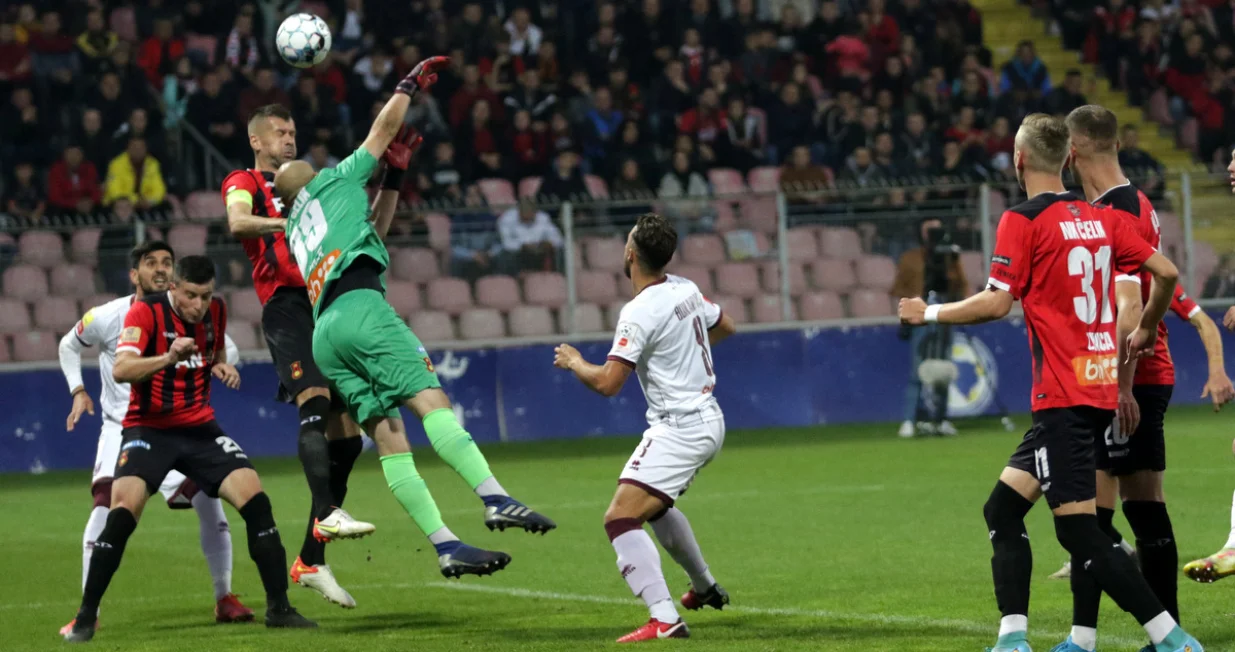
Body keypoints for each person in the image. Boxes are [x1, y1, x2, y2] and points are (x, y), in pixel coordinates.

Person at [898, 113, 1203, 652]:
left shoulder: (1022, 219)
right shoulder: (1100, 216)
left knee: (1081, 531)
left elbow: (996, 301)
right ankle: (1014, 637)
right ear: (1067, 159)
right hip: (1097, 385)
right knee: (1003, 508)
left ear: (1018, 160)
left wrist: (928, 313)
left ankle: (1172, 638)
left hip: (1062, 394)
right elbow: (1169, 274)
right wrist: (1151, 326)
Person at [273, 55, 556, 580]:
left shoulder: (295, 226)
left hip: (326, 335)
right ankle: (495, 497)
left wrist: (395, 175)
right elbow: (382, 129)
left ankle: (446, 544)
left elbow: (372, 232)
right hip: (361, 307)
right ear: (309, 177)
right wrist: (407, 87)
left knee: (388, 435)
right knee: (431, 399)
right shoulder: (333, 180)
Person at [1041, 106, 1235, 651]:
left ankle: (1096, 638)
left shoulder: (1119, 208)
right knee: (1138, 504)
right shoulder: (1131, 201)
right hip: (1134, 375)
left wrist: (1121, 383)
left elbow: (1129, 309)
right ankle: (1158, 630)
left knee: (1092, 512)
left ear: (1074, 152)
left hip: (1125, 378)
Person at [63, 255, 315, 642]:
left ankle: (279, 607)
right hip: (148, 428)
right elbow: (121, 369)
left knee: (255, 499)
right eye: (192, 296)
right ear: (173, 288)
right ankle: (85, 617)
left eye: (206, 295)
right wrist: (167, 357)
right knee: (121, 513)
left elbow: (213, 351)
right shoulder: (144, 314)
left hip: (199, 429)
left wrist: (220, 365)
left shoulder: (217, 311)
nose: (199, 305)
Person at [552, 213, 738, 642]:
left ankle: (665, 618)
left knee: (620, 517)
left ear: (630, 254)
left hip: (680, 428)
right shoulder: (685, 288)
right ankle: (705, 587)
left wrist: (575, 361)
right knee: (655, 507)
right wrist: (683, 358)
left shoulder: (638, 312)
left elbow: (608, 384)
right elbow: (725, 326)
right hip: (710, 416)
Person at [56, 241, 251, 635]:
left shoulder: (192, 316)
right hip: (123, 428)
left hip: (178, 427)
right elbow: (68, 344)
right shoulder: (110, 316)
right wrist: (78, 390)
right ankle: (87, 611)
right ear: (134, 275)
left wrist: (222, 366)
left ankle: (224, 596)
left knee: (208, 500)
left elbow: (226, 349)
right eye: (151, 263)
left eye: (167, 263)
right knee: (105, 511)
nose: (161, 269)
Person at [222, 103, 371, 609]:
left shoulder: (307, 189)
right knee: (314, 400)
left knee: (349, 439)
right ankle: (327, 511)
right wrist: (281, 226)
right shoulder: (243, 180)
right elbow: (238, 222)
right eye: (279, 133)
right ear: (258, 141)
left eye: (292, 132)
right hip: (286, 307)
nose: (289, 139)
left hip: (323, 301)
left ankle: (312, 559)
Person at [890, 217, 970, 438]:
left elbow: (961, 285)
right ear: (921, 233)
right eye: (929, 230)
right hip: (920, 316)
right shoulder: (910, 258)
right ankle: (910, 420)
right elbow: (898, 288)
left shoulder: (950, 257)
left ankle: (940, 419)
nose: (934, 233)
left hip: (945, 313)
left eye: (937, 228)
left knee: (943, 367)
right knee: (918, 368)